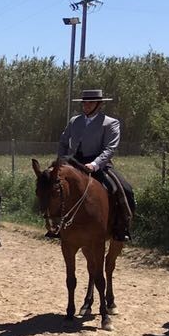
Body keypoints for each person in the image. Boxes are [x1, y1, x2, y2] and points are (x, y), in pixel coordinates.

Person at [55, 88, 134, 241]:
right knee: (52, 185)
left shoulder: (110, 123)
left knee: (124, 188)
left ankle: (121, 226)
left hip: (99, 164)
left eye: (91, 102)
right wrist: (61, 161)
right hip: (74, 162)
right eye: (84, 102)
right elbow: (63, 141)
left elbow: (110, 148)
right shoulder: (74, 121)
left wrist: (95, 164)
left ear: (99, 104)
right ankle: (55, 224)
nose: (86, 105)